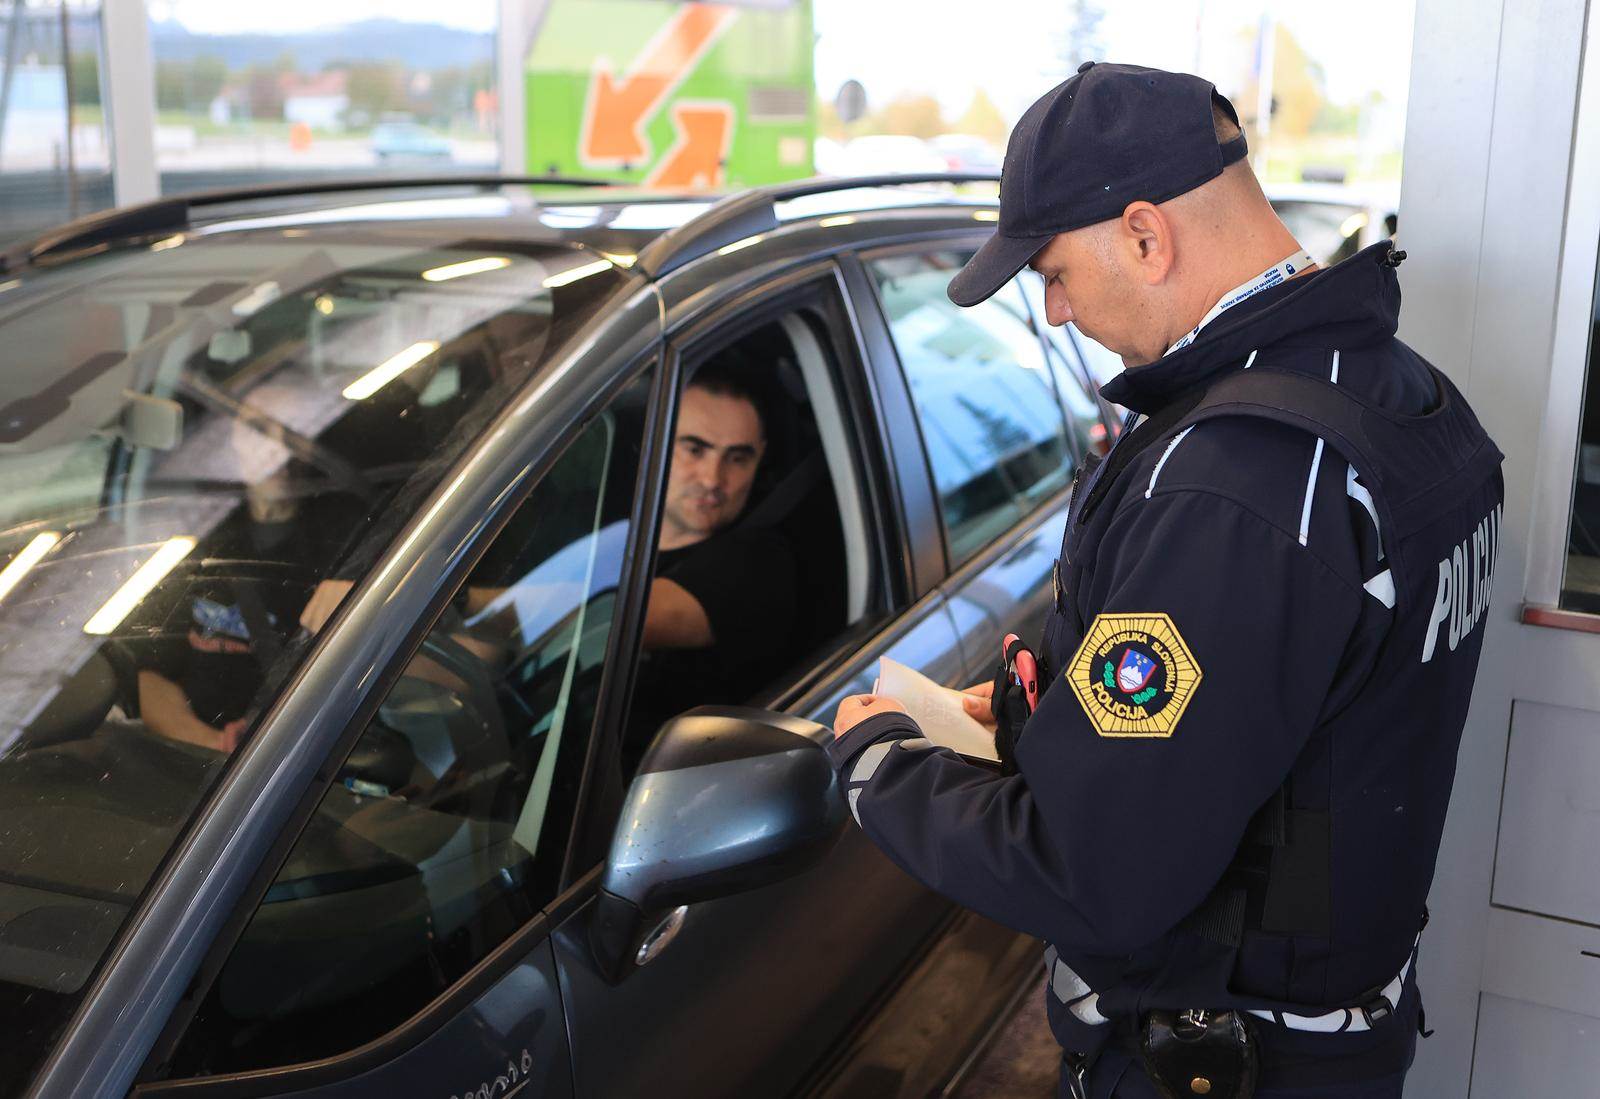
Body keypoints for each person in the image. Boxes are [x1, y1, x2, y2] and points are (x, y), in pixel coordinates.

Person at [829, 63, 1504, 1099]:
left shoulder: (1235, 487)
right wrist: (1037, 718)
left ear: (1145, 234)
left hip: (1224, 1058)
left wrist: (881, 767)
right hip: (1338, 1028)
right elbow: (1279, 707)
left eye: (1051, 271)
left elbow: (1093, 869)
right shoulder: (1405, 396)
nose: (1053, 313)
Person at [625, 361, 798, 765]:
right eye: (694, 449)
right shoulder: (609, 525)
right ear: (655, 440)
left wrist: (471, 605)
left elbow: (613, 621)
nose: (712, 478)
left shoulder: (758, 561)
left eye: (737, 458)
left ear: (760, 460)